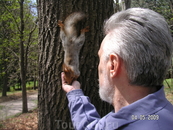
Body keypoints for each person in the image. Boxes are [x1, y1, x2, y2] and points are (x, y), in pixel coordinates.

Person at [61, 8, 173, 130]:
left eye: (100, 58)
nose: (99, 67)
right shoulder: (150, 116)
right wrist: (74, 93)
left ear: (113, 65)